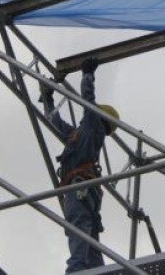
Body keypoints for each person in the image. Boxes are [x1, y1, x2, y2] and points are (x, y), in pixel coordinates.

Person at [40, 58, 120, 274]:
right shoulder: (79, 135)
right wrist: (48, 98)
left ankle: (75, 271)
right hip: (83, 192)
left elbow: (87, 100)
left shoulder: (94, 127)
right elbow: (54, 121)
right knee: (89, 238)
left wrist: (87, 75)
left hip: (81, 191)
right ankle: (96, 271)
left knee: (79, 232)